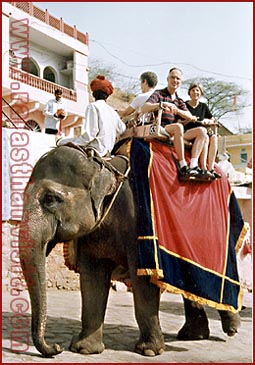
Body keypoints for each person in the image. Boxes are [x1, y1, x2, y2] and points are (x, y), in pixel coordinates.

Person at [141, 67, 207, 179]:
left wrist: (176, 109)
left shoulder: (179, 101)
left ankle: (193, 165)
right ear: (167, 79)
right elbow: (144, 108)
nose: (175, 80)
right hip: (162, 128)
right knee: (178, 127)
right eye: (172, 77)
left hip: (177, 133)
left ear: (180, 82)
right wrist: (161, 105)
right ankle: (182, 165)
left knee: (202, 131)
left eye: (178, 78)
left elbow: (189, 116)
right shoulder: (159, 94)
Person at [57, 75, 126, 157]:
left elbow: (90, 135)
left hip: (96, 149)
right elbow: (122, 129)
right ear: (107, 96)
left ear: (93, 94)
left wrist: (70, 142)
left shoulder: (93, 106)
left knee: (60, 143)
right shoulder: (112, 111)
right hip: (108, 150)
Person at [184, 82, 221, 179]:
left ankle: (211, 168)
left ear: (201, 93)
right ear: (189, 92)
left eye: (197, 90)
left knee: (213, 137)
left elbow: (212, 119)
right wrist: (190, 119)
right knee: (203, 133)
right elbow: (179, 120)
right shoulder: (185, 105)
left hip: (202, 133)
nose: (195, 92)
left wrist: (208, 121)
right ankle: (202, 167)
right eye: (193, 90)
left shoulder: (203, 106)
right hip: (188, 132)